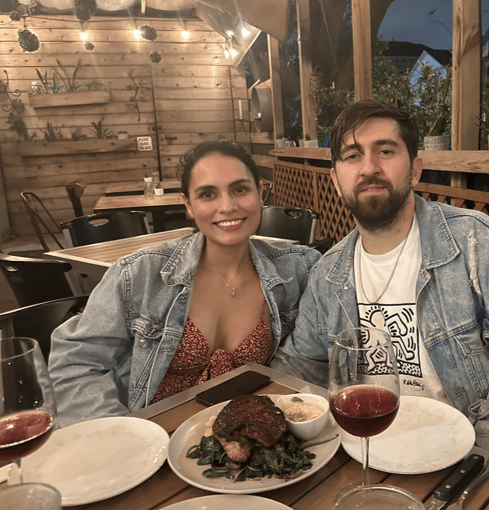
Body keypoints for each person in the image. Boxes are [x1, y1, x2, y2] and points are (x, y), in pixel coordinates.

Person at [271, 99, 489, 485]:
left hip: (483, 463)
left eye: (385, 151)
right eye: (353, 155)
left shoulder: (483, 246)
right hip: (370, 453)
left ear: (415, 169)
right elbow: (298, 368)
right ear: (336, 180)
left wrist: (472, 449)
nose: (369, 168)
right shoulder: (328, 275)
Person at [49, 140, 321, 426]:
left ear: (260, 193)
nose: (227, 206)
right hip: (152, 438)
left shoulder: (298, 268)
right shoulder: (139, 273)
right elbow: (76, 365)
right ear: (188, 205)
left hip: (244, 436)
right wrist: (123, 438)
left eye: (240, 189)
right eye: (207, 194)